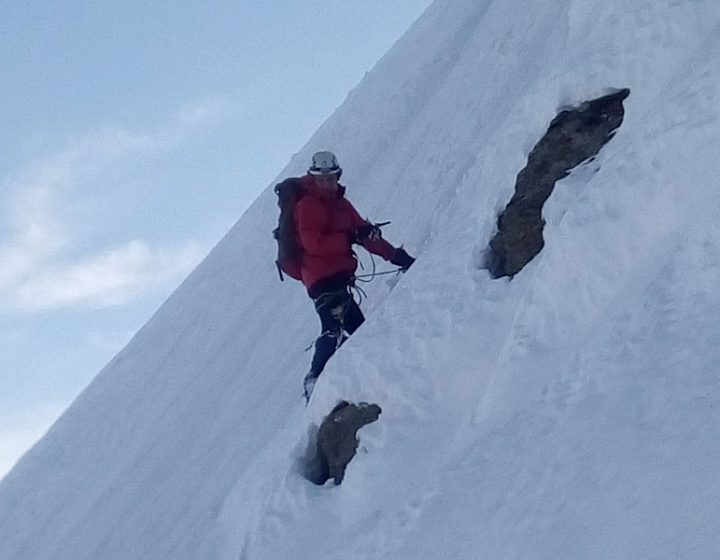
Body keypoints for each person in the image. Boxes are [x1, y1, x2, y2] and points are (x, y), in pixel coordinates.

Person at [294, 151, 415, 400]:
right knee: (333, 327)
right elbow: (313, 244)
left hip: (338, 278)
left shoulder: (342, 206)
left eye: (331, 178)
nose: (327, 183)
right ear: (314, 178)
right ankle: (314, 379)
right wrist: (348, 237)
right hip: (320, 278)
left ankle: (349, 386)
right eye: (322, 178)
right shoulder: (307, 206)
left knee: (360, 333)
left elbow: (363, 235)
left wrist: (397, 257)